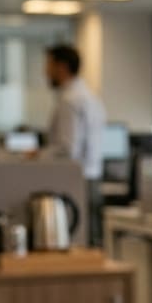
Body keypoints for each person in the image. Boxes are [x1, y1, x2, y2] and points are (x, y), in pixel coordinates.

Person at [45, 44, 107, 246]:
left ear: (61, 67)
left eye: (48, 65)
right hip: (92, 176)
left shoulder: (69, 100)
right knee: (93, 239)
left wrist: (38, 156)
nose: (44, 71)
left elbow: (67, 148)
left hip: (75, 179)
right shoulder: (90, 97)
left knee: (81, 242)